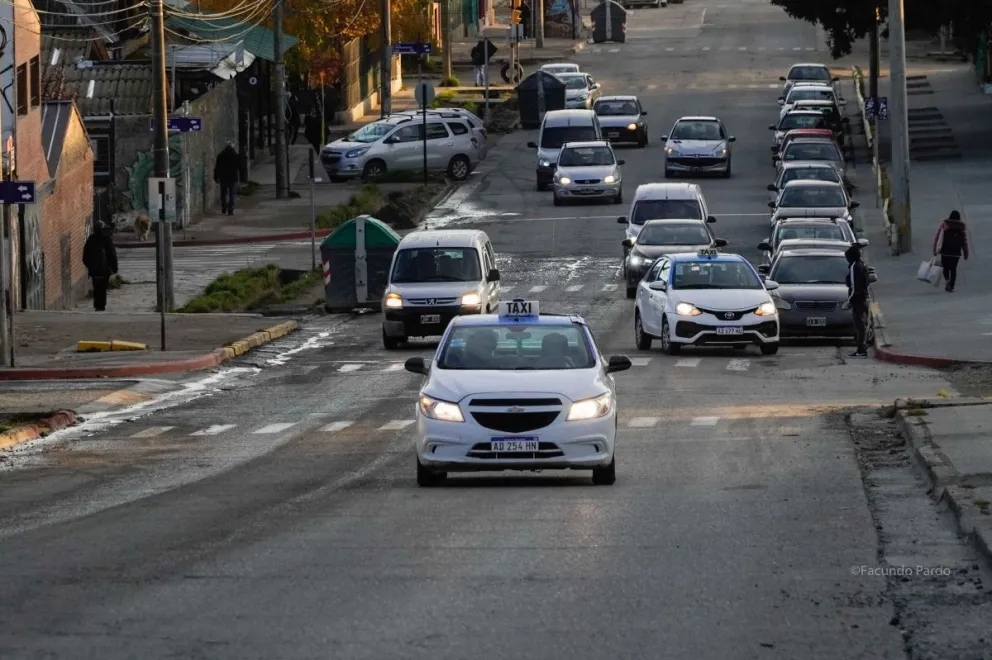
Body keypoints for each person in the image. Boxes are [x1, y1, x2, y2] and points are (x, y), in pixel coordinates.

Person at [82, 221, 118, 312]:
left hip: (94, 270)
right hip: (105, 270)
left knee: (96, 287)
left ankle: (97, 305)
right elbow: (112, 255)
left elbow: (85, 256)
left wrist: (89, 266)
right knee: (103, 287)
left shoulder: (91, 239)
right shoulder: (107, 239)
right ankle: (101, 305)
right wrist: (114, 268)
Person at [932, 210, 969, 292]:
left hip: (945, 251)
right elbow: (964, 241)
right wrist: (966, 252)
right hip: (956, 253)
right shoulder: (961, 227)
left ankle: (947, 281)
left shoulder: (944, 225)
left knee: (945, 268)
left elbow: (937, 237)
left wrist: (935, 249)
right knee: (953, 269)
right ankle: (951, 285)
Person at [845, 243, 870, 358]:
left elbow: (854, 286)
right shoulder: (862, 264)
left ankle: (861, 349)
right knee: (862, 325)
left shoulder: (854, 266)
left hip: (858, 301)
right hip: (864, 298)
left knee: (859, 325)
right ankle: (862, 347)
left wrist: (849, 301)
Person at [214, 141, 240, 215]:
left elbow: (217, 167)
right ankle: (230, 210)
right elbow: (240, 166)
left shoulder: (221, 155)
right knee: (232, 194)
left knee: (223, 193)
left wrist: (216, 176)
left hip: (223, 177)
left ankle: (224, 208)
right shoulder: (235, 155)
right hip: (233, 177)